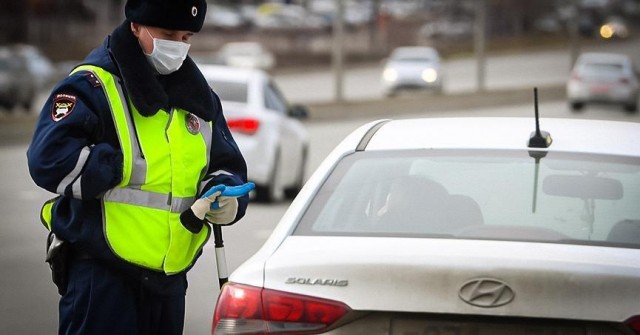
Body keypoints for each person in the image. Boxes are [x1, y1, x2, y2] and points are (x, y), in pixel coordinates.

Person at [26, 0, 250, 334]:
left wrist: (224, 197)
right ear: (135, 26)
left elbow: (225, 164)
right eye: (167, 33)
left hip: (170, 280)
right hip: (102, 274)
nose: (177, 45)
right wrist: (110, 166)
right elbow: (47, 158)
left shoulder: (200, 98)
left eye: (186, 36)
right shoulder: (94, 84)